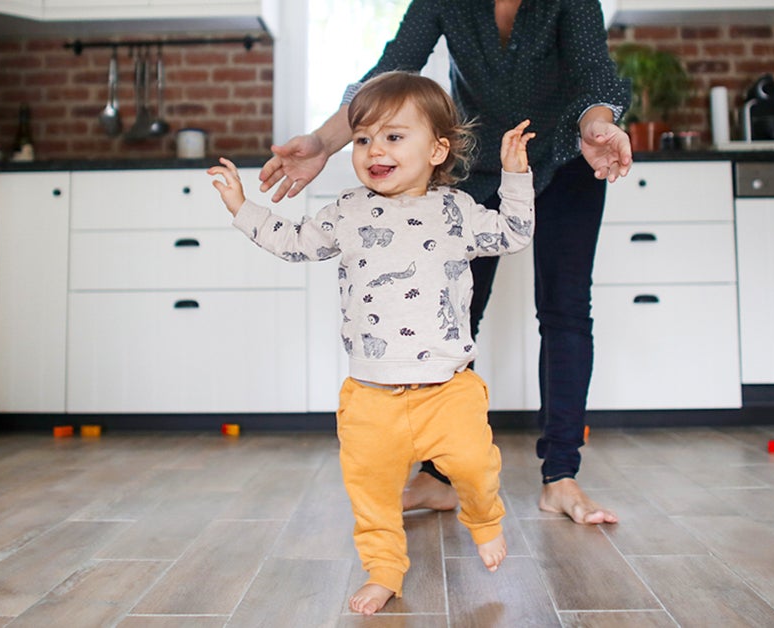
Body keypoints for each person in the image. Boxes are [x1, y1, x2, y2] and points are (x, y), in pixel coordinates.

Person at [258, 0, 631, 526]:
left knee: (565, 310)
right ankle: (437, 478)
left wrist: (597, 127)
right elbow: (391, 71)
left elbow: (596, 76)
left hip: (568, 159)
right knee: (448, 310)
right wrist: (323, 142)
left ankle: (561, 478)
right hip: (478, 165)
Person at [209, 71, 535, 616]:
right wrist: (244, 209)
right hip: (370, 396)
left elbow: (514, 234)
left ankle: (484, 521)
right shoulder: (348, 210)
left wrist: (514, 175)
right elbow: (295, 244)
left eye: (392, 137)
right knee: (372, 495)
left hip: (446, 390)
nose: (373, 150)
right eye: (362, 139)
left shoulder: (456, 211)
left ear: (437, 150)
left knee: (477, 468)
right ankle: (384, 570)